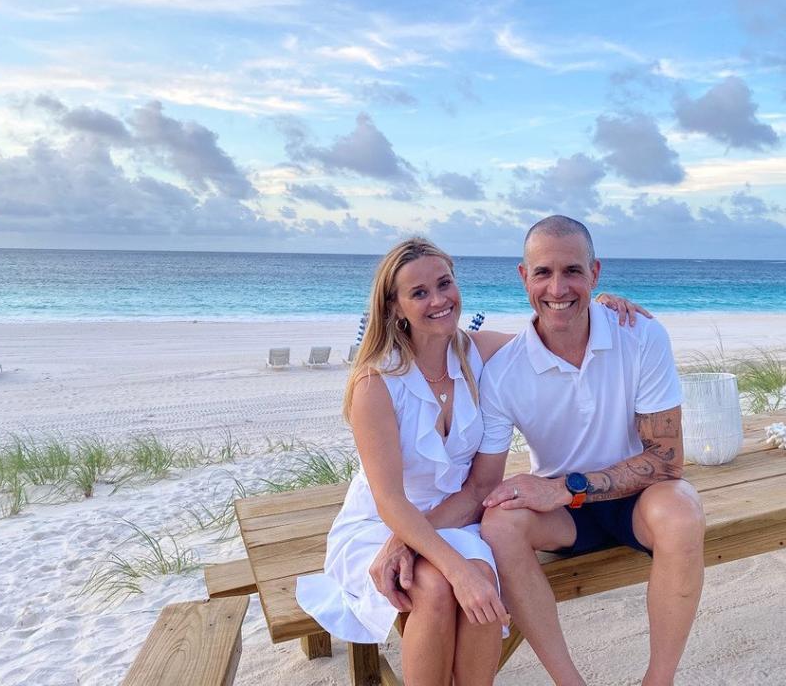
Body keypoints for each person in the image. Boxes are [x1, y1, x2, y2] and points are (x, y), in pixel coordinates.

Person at [296, 237, 647, 686]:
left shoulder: (479, 352)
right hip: (382, 524)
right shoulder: (376, 383)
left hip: (459, 515)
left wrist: (597, 303)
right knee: (437, 587)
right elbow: (390, 501)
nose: (439, 300)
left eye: (445, 284)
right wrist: (441, 562)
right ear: (395, 307)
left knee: (481, 579)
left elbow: (555, 330)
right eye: (419, 293)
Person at [479, 215, 705, 686]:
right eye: (542, 272)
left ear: (595, 273)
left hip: (637, 499)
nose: (557, 287)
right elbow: (427, 343)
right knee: (499, 522)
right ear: (524, 277)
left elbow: (666, 460)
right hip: (564, 519)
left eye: (573, 271)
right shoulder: (502, 371)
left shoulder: (640, 334)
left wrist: (564, 488)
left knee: (683, 511)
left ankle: (657, 681)